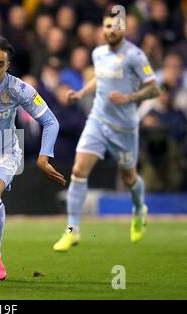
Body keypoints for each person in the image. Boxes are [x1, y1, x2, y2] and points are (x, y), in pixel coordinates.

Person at [0, 37, 66, 281]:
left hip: (5, 152)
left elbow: (50, 121)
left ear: (8, 66)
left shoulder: (17, 88)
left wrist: (44, 156)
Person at [53, 10, 161, 252]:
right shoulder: (98, 52)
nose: (111, 30)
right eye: (107, 26)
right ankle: (72, 229)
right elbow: (100, 78)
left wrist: (129, 97)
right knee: (79, 170)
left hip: (124, 128)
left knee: (129, 178)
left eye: (116, 26)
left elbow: (154, 89)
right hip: (98, 121)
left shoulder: (135, 56)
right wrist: (81, 92)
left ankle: (138, 208)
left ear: (124, 29)